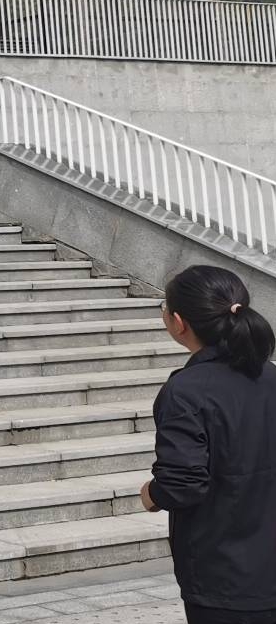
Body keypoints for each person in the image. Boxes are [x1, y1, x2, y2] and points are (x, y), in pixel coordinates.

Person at [140, 266, 276, 624]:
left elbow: (181, 483)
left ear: (178, 322)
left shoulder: (186, 391)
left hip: (223, 578)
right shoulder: (271, 376)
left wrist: (150, 495)